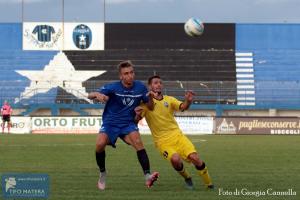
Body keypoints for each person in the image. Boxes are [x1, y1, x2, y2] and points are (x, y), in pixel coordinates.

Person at [88, 60, 159, 190]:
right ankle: (103, 173)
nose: (130, 76)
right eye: (126, 73)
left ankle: (147, 176)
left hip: (128, 124)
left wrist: (150, 98)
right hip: (111, 123)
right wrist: (98, 94)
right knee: (99, 144)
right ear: (121, 76)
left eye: (132, 72)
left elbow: (151, 107)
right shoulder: (113, 87)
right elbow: (90, 95)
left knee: (138, 142)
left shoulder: (140, 87)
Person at [134, 75, 214, 190]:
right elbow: (135, 121)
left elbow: (183, 106)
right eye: (155, 83)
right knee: (175, 159)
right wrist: (137, 114)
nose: (158, 85)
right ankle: (187, 178)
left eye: (160, 83)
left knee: (195, 158)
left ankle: (209, 185)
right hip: (162, 142)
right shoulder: (145, 104)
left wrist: (188, 100)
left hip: (177, 136)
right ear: (150, 86)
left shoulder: (169, 99)